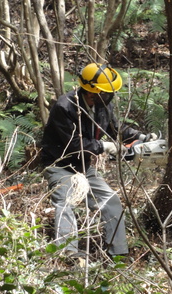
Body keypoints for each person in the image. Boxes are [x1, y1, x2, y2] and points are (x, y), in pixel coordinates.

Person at [41, 63, 157, 258]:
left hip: (84, 166)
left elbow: (116, 130)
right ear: (92, 92)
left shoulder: (104, 107)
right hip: (60, 165)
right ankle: (67, 255)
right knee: (66, 200)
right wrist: (104, 146)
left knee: (111, 201)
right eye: (106, 93)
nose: (109, 96)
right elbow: (74, 145)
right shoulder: (65, 107)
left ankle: (118, 253)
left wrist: (140, 137)